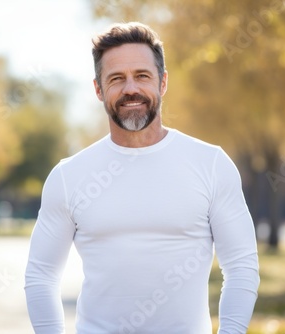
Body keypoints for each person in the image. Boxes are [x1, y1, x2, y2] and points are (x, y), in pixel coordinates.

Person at [25, 22, 259, 334]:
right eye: (116, 78)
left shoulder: (211, 164)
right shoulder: (69, 176)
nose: (130, 88)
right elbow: (41, 276)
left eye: (142, 76)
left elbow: (241, 267)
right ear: (98, 88)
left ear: (162, 83)